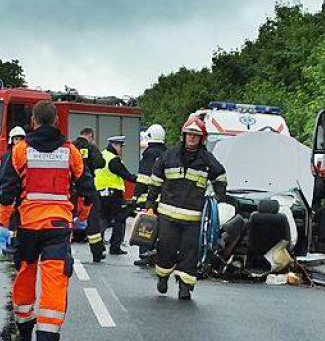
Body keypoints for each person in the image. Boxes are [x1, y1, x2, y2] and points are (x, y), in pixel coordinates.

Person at [0, 101, 94, 341]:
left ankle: (25, 334)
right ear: (56, 122)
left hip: (28, 225)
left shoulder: (20, 150)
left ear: (33, 122)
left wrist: (3, 224)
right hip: (58, 226)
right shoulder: (70, 151)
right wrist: (81, 215)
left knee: (25, 275)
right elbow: (86, 187)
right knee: (54, 280)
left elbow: (7, 190)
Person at [145, 115, 234, 300]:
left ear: (201, 139)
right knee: (166, 249)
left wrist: (220, 196)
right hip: (167, 215)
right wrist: (150, 205)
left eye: (195, 135)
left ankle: (185, 287)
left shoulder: (208, 160)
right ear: (183, 136)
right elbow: (155, 182)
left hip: (193, 218)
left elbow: (221, 177)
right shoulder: (168, 156)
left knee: (190, 253)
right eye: (189, 134)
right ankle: (162, 277)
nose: (191, 138)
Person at [95, 135, 136, 256]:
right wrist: (143, 180)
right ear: (115, 145)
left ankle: (98, 246)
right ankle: (115, 247)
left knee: (102, 220)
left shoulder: (101, 155)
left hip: (100, 194)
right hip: (114, 196)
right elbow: (127, 176)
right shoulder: (114, 160)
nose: (121, 149)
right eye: (120, 147)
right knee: (119, 219)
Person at [133, 124, 167, 266]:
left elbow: (142, 179)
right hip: (165, 200)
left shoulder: (148, 155)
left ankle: (145, 255)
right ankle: (157, 255)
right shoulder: (168, 154)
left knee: (146, 228)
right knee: (161, 230)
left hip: (149, 199)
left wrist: (136, 197)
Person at [73, 127, 107, 262]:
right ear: (90, 136)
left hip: (72, 188)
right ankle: (97, 253)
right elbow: (101, 163)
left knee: (66, 219)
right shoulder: (91, 148)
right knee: (93, 221)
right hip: (87, 188)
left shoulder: (72, 146)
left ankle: (63, 251)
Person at [0, 127, 26, 253]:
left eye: (20, 138)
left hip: (22, 197)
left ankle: (14, 246)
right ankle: (9, 248)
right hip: (10, 196)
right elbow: (4, 177)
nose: (18, 141)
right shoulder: (7, 156)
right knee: (10, 224)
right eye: (16, 139)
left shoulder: (26, 154)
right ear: (11, 140)